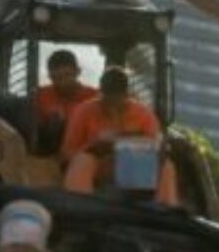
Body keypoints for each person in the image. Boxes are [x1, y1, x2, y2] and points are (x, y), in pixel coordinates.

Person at [61, 66, 178, 205]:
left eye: (117, 100)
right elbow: (67, 153)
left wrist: (142, 146)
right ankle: (79, 205)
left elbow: (157, 146)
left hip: (135, 168)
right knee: (83, 160)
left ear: (127, 94)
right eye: (108, 100)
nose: (112, 107)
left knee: (167, 166)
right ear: (101, 93)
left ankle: (165, 208)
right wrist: (93, 148)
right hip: (100, 168)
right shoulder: (83, 112)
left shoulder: (144, 114)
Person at [33, 49, 98, 153]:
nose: (62, 83)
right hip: (49, 153)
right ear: (50, 77)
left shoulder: (94, 97)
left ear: (77, 71)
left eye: (67, 76)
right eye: (56, 78)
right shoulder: (41, 95)